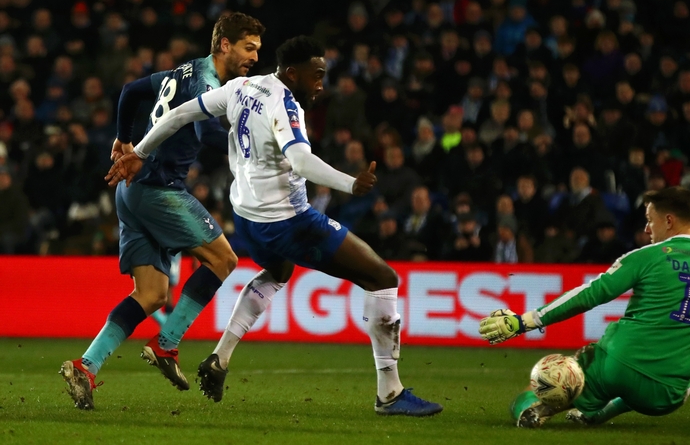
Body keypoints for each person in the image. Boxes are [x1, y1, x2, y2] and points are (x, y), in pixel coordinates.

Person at [107, 36, 442, 417]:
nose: (321, 84)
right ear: (293, 73)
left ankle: (220, 357)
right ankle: (390, 394)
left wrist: (139, 151)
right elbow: (301, 161)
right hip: (288, 221)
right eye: (316, 75)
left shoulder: (243, 86)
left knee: (279, 270)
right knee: (383, 278)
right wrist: (351, 184)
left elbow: (179, 114)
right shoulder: (285, 104)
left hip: (246, 217)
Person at [59, 13, 265, 411]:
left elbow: (131, 90)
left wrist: (123, 139)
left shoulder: (183, 71)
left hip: (131, 189)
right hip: (159, 189)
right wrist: (254, 145)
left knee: (151, 294)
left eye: (257, 49)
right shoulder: (207, 82)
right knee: (224, 259)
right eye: (248, 47)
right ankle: (167, 344)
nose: (254, 57)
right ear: (225, 45)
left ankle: (86, 366)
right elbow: (206, 132)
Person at [478, 186, 690, 428]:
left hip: (615, 365)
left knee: (553, 378)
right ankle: (600, 414)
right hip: (665, 395)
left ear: (669, 220)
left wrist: (525, 321)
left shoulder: (647, 256)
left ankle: (532, 409)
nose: (647, 229)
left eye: (650, 220)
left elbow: (592, 294)